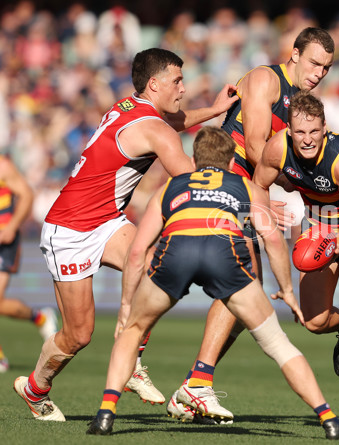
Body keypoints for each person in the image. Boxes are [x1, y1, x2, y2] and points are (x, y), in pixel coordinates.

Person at [86, 126, 339, 441]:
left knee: (131, 332)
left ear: (193, 159)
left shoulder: (170, 188)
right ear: (230, 162)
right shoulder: (246, 187)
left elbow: (137, 253)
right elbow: (272, 240)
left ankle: (106, 414)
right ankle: (329, 420)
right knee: (278, 344)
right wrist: (285, 289)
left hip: (177, 254)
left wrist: (125, 306)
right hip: (223, 256)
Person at [13, 48, 238, 421]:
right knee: (78, 335)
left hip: (106, 221)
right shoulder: (154, 128)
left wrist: (213, 111)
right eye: (177, 81)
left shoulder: (131, 107)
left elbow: (172, 123)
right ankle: (35, 389)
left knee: (155, 264)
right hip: (69, 229)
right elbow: (194, 182)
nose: (183, 89)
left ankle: (132, 358)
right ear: (154, 84)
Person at [167, 27, 336, 422]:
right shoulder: (265, 79)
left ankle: (195, 383)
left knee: (248, 300)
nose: (319, 72)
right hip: (226, 185)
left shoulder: (303, 101)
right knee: (244, 287)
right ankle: (194, 382)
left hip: (246, 189)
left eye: (326, 67)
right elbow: (259, 148)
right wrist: (299, 186)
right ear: (294, 54)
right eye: (313, 62)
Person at [250, 91, 339, 430]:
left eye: (314, 132)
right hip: (320, 222)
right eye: (300, 132)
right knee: (313, 322)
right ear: (289, 132)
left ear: (325, 129)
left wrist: (336, 245)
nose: (307, 140)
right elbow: (258, 184)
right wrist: (266, 213)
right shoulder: (276, 149)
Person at [0, 155, 58, 372]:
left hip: (4, 239)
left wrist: (12, 227)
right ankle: (40, 317)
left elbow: (26, 194)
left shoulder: (3, 166)